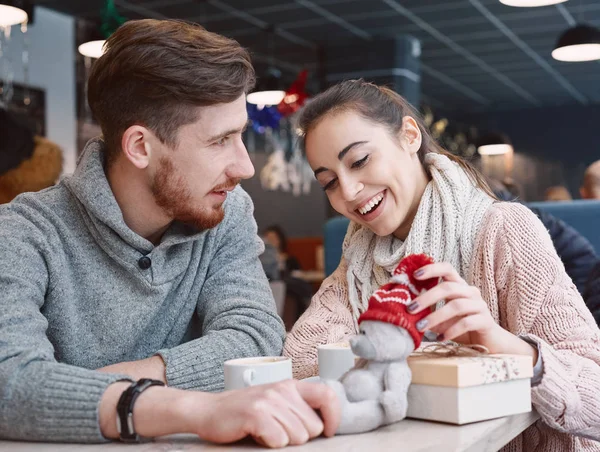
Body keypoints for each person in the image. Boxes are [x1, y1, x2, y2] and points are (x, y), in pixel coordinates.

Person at [0, 19, 340, 447]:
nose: (245, 167)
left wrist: (86, 388)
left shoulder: (227, 213)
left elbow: (255, 336)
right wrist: (198, 410)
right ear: (140, 146)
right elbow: (9, 383)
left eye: (241, 135)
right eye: (220, 140)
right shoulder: (20, 233)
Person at [284, 80, 600, 451]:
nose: (349, 191)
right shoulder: (358, 263)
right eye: (329, 182)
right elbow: (298, 365)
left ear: (409, 135)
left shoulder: (505, 230)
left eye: (359, 161)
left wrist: (501, 344)